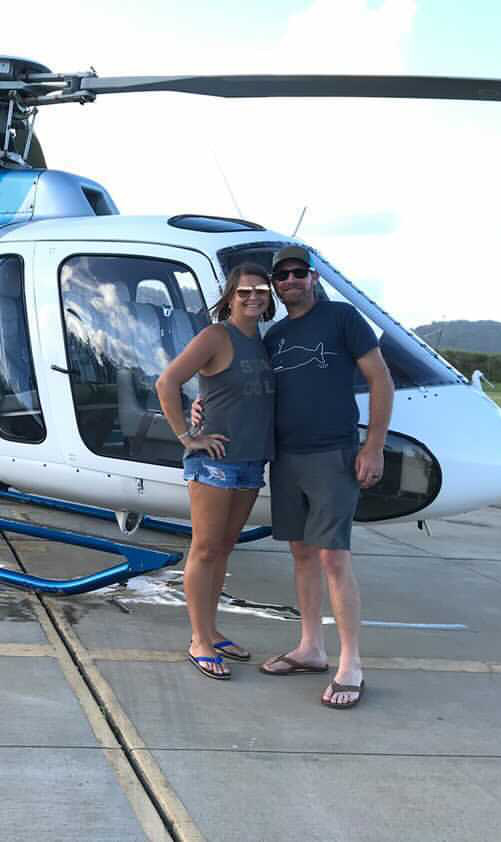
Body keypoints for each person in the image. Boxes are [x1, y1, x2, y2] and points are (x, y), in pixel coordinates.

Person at [256, 245, 393, 709]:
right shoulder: (273, 336)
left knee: (334, 557)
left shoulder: (342, 318)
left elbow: (380, 380)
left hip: (333, 454)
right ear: (275, 285)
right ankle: (310, 647)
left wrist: (372, 446)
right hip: (287, 457)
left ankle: (350, 662)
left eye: (298, 273)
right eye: (282, 276)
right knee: (301, 553)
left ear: (313, 277)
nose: (290, 280)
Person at [156, 263, 276, 680]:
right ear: (229, 297)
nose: (252, 297)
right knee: (205, 549)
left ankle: (212, 630)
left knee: (224, 548)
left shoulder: (262, 342)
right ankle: (198, 639)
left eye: (260, 291)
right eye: (243, 292)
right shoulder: (215, 336)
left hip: (250, 460)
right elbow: (167, 383)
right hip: (215, 463)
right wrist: (187, 435)